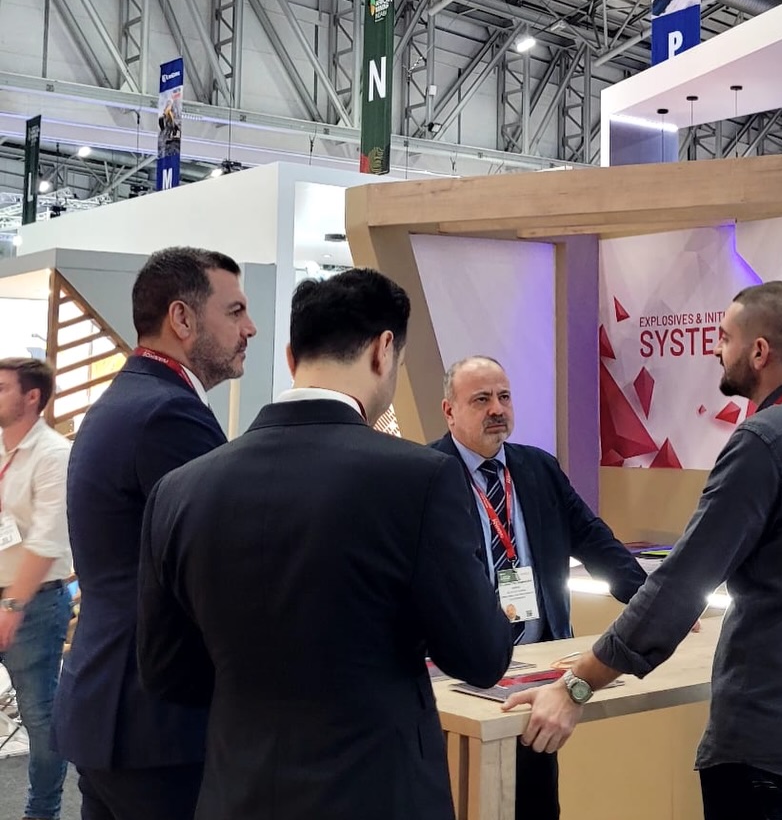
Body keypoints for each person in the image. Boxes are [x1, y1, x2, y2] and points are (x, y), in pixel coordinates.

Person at [505, 280, 782, 820]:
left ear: (758, 351)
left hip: (769, 744)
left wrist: (576, 685)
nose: (716, 349)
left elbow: (680, 586)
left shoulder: (764, 441)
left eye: (723, 338)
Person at [136, 268, 514, 820]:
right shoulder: (420, 479)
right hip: (378, 793)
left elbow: (167, 673)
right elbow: (480, 657)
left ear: (292, 358)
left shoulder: (179, 489)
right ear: (384, 350)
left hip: (237, 794)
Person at [55, 247, 256, 820]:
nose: (250, 328)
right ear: (182, 319)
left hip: (115, 703)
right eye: (235, 311)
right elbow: (219, 564)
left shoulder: (130, 399)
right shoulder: (168, 414)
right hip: (157, 719)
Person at [431, 355, 648, 820]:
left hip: (537, 673)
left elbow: (592, 539)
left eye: (504, 397)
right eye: (481, 399)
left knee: (535, 804)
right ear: (449, 411)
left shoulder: (538, 468)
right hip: (456, 676)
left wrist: (652, 603)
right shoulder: (426, 474)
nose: (497, 409)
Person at [0, 358, 72, 820]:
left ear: (32, 397)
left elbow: (47, 540)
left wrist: (12, 605)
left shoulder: (54, 454)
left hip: (34, 604)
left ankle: (41, 812)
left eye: (1, 387)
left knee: (39, 717)